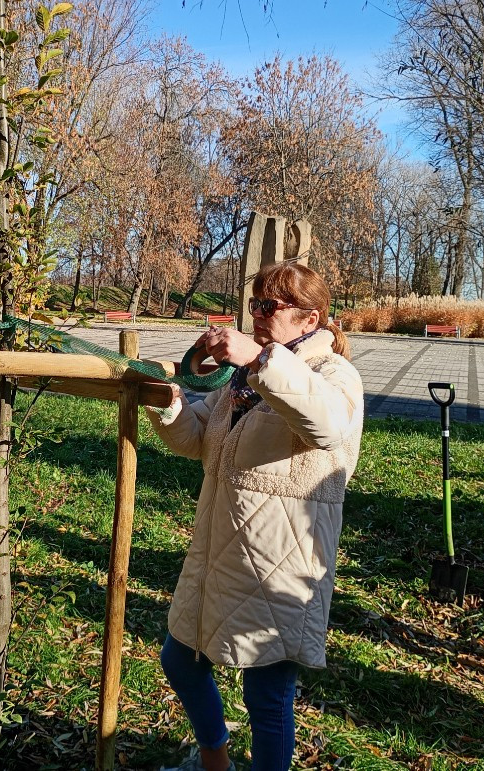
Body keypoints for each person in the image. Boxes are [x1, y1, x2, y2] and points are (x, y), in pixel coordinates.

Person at [147, 262, 365, 771]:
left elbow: (326, 425)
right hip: (218, 552)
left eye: (271, 307)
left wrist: (260, 358)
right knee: (179, 660)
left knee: (267, 699)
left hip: (281, 561)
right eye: (255, 305)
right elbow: (196, 438)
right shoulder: (244, 382)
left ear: (309, 320)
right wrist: (170, 401)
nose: (258, 315)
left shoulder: (334, 375)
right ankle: (215, 761)